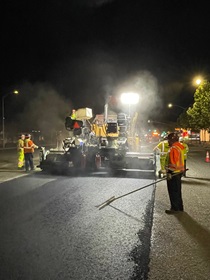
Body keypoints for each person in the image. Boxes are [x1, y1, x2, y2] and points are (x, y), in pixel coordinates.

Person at [164, 132, 185, 214]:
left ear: (172, 140)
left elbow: (173, 163)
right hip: (178, 172)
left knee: (173, 191)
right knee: (177, 191)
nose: (168, 142)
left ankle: (175, 209)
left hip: (173, 173)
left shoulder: (173, 149)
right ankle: (179, 207)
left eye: (169, 140)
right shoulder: (179, 147)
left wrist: (169, 172)